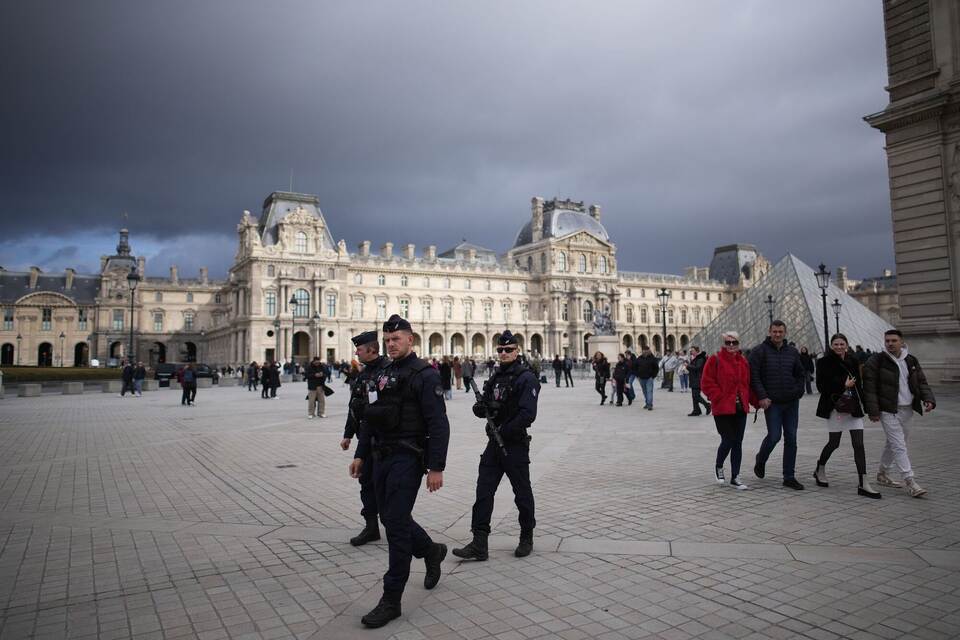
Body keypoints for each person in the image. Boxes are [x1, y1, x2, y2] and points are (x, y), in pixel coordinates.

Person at [350, 315, 450, 629]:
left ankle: (391, 599)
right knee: (392, 517)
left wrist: (436, 467)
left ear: (411, 340)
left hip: (408, 458)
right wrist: (360, 454)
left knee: (394, 526)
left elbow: (438, 424)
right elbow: (370, 417)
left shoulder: (425, 375)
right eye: (388, 340)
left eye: (397, 339)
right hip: (380, 456)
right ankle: (431, 550)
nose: (392, 344)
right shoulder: (381, 374)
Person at [454, 330, 539, 562]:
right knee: (483, 491)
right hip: (494, 443)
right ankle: (479, 543)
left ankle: (526, 536)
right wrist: (481, 409)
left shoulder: (526, 378)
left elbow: (528, 414)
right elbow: (486, 405)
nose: (503, 353)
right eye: (500, 350)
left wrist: (505, 428)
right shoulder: (495, 376)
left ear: (517, 351)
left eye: (508, 350)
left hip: (514, 444)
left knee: (522, 492)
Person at [862, 329, 936, 498]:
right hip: (888, 410)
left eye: (894, 340)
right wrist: (873, 411)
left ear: (902, 342)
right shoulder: (876, 360)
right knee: (899, 445)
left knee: (894, 442)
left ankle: (882, 473)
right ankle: (910, 481)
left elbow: (921, 382)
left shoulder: (911, 360)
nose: (890, 343)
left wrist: (928, 399)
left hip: (907, 409)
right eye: (887, 340)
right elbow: (870, 388)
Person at [813, 334, 881, 499]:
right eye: (835, 344)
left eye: (842, 344)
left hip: (853, 407)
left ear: (846, 345)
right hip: (835, 407)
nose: (839, 347)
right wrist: (842, 385)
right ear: (831, 345)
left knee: (858, 444)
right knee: (834, 443)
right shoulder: (823, 362)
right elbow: (821, 386)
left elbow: (859, 386)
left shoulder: (852, 360)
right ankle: (820, 467)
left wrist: (869, 407)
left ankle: (863, 482)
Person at [342, 331, 388, 547]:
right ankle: (371, 527)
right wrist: (348, 434)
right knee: (366, 483)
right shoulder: (363, 373)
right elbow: (355, 406)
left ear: (371, 349)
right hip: (365, 439)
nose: (356, 352)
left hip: (383, 439)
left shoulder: (385, 371)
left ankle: (395, 524)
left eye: (359, 349)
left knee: (384, 485)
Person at [749, 321, 807, 490]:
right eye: (774, 331)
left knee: (792, 438)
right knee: (774, 436)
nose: (777, 334)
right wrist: (762, 396)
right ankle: (761, 459)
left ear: (785, 332)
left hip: (791, 402)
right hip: (772, 402)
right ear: (769, 331)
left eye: (780, 331)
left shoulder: (792, 352)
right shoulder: (759, 351)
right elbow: (754, 376)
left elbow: (800, 374)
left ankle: (789, 476)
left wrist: (798, 391)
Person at [701, 331, 751, 489]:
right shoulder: (714, 359)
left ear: (738, 344)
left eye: (734, 342)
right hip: (722, 408)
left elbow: (747, 384)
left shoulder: (743, 361)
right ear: (723, 344)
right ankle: (719, 466)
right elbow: (706, 382)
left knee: (738, 442)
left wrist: (757, 401)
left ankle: (735, 476)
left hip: (740, 408)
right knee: (728, 439)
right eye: (728, 342)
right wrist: (719, 397)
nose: (731, 345)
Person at [687, 346, 711, 416]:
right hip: (694, 379)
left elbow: (698, 368)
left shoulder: (700, 358)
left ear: (697, 351)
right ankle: (696, 410)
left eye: (692, 350)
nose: (691, 352)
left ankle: (707, 405)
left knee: (696, 396)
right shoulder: (695, 358)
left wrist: (688, 366)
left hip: (698, 379)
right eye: (691, 351)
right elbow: (693, 368)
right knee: (694, 396)